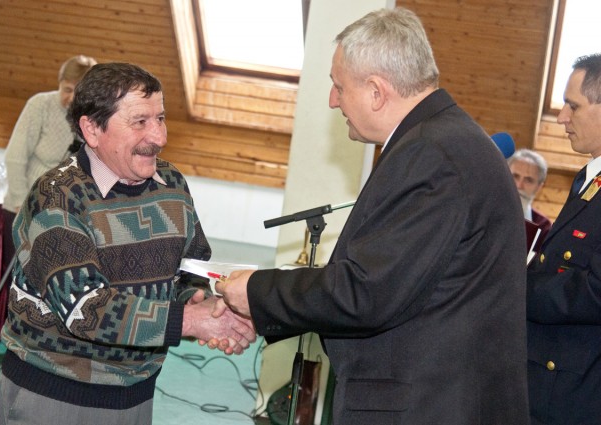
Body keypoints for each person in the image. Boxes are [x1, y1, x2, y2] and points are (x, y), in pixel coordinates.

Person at [216, 7, 529, 425]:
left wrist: (257, 291)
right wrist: (264, 308)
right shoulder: (443, 140)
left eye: (338, 86)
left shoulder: (431, 154)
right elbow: (396, 281)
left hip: (426, 406)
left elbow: (367, 292)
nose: (333, 100)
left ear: (377, 92)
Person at [0, 62, 256, 425]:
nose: (159, 137)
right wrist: (192, 321)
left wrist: (206, 305)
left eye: (160, 118)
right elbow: (86, 310)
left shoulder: (172, 185)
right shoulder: (57, 196)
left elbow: (186, 271)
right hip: (54, 398)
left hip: (137, 396)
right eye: (140, 122)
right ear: (92, 129)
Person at [526, 53, 601, 424]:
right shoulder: (590, 179)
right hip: (550, 386)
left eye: (573, 106)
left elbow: (595, 291)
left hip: (577, 395)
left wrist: (515, 287)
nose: (561, 118)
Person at [2, 55, 97, 276]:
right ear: (59, 82)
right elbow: (15, 158)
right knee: (18, 282)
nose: (71, 98)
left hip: (63, 219)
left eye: (79, 93)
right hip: (23, 210)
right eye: (67, 90)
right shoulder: (40, 105)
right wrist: (21, 205)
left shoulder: (94, 119)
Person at [508, 148, 552, 250]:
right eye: (515, 176)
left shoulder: (543, 227)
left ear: (539, 187)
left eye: (528, 180)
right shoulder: (485, 213)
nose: (519, 185)